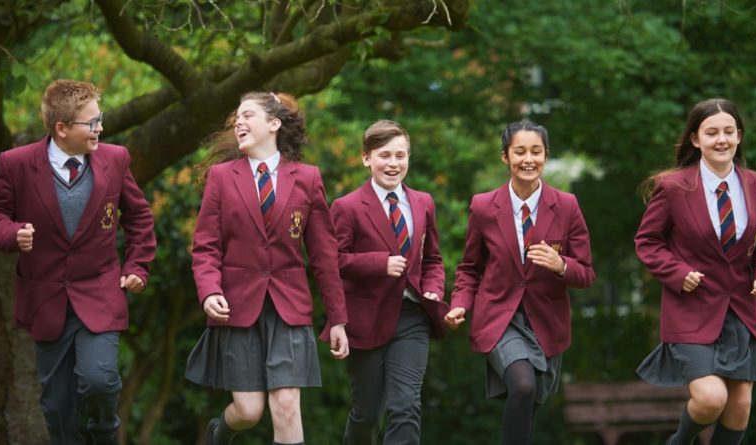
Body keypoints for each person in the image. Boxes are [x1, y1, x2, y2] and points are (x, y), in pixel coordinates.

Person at [0, 79, 156, 444]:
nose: (101, 128)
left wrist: (136, 267)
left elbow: (139, 218)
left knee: (99, 381)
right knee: (57, 406)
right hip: (45, 300)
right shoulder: (15, 164)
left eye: (100, 119)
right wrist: (12, 234)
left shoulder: (116, 159)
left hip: (99, 292)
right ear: (61, 128)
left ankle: (104, 437)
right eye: (92, 123)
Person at [185, 91, 350, 445]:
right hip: (237, 306)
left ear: (273, 124)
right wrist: (209, 290)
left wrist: (337, 318)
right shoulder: (220, 177)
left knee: (287, 405)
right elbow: (205, 247)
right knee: (248, 412)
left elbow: (323, 255)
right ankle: (221, 431)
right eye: (237, 117)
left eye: (248, 116)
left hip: (289, 308)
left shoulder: (307, 178)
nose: (239, 123)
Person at [635, 98, 756, 445]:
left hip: (742, 311)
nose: (722, 140)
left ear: (739, 136)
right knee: (711, 399)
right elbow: (648, 242)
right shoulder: (673, 188)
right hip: (691, 309)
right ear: (695, 139)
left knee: (739, 409)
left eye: (729, 132)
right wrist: (676, 271)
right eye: (712, 132)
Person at [445, 121, 595, 444]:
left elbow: (586, 273)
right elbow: (470, 268)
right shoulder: (484, 207)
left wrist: (561, 265)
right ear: (505, 157)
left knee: (530, 401)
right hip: (500, 317)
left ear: (546, 155)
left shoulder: (566, 206)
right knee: (523, 384)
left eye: (536, 151)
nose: (529, 159)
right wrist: (459, 305)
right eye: (520, 152)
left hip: (547, 322)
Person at [330, 120, 447, 444]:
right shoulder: (347, 207)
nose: (393, 164)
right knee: (367, 415)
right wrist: (377, 263)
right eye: (385, 155)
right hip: (365, 319)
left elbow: (434, 260)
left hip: (412, 318)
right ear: (367, 158)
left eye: (401, 155)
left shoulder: (424, 202)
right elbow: (330, 263)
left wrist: (434, 289)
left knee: (405, 405)